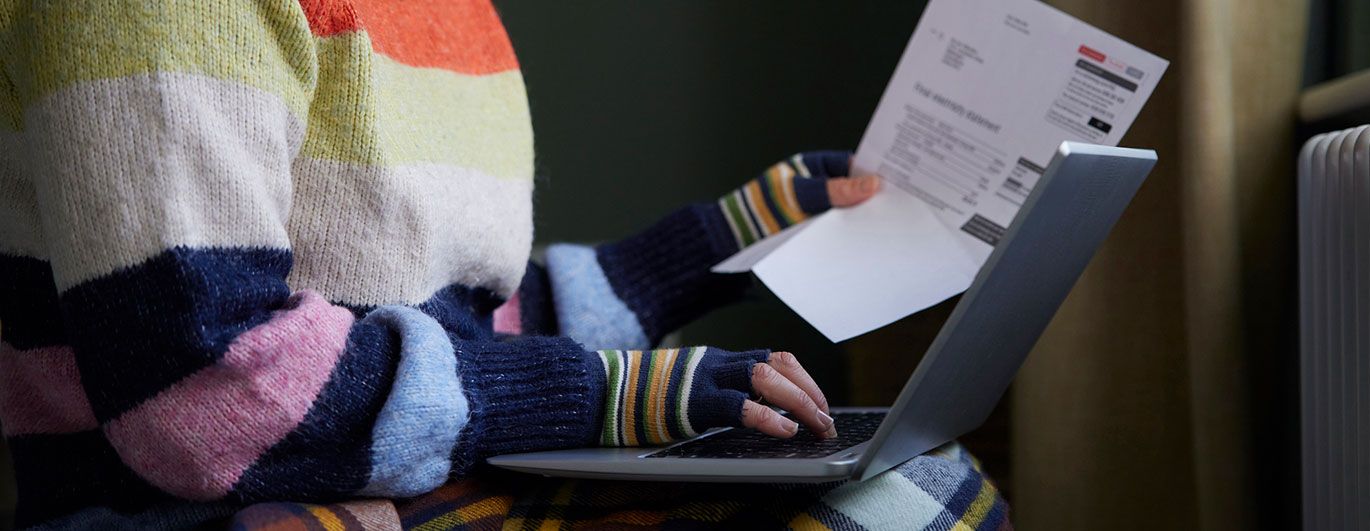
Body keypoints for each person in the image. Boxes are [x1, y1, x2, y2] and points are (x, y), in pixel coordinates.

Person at [0, 1, 1011, 529]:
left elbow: (460, 331)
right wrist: (609, 398)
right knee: (888, 513)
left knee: (925, 484)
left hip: (404, 478)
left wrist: (735, 235)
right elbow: (212, 388)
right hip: (197, 510)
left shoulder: (455, 17)